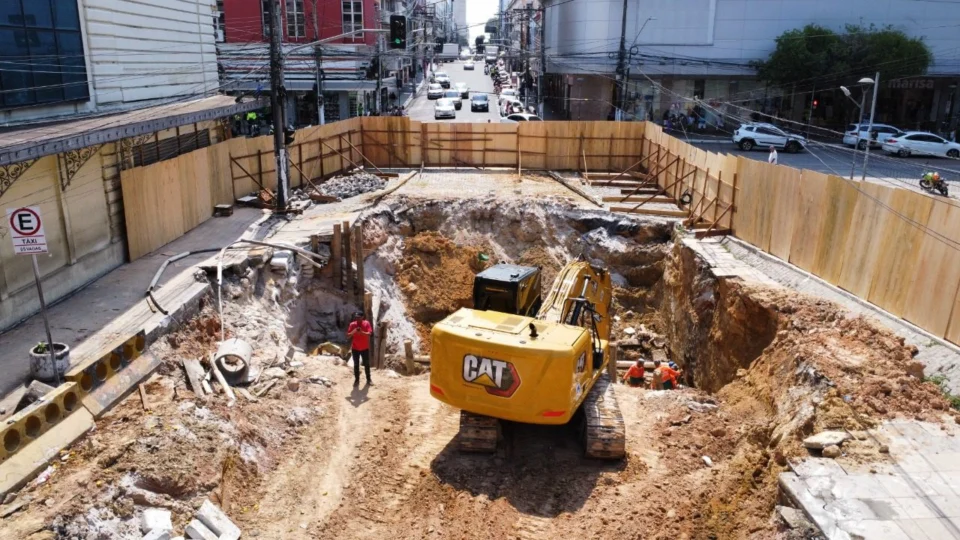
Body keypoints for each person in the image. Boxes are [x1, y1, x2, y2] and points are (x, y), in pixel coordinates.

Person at [347, 311, 373, 386]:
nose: (357, 319)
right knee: (356, 365)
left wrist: (362, 332)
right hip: (355, 348)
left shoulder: (366, 323)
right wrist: (354, 331)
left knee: (367, 364)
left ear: (362, 317)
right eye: (356, 317)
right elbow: (348, 336)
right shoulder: (352, 324)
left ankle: (369, 380)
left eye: (359, 317)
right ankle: (356, 380)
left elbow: (370, 334)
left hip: (365, 348)